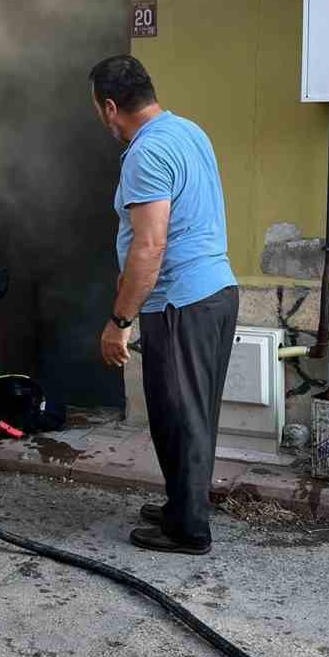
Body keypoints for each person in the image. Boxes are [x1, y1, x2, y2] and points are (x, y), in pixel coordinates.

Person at [90, 55, 238, 555]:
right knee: (192, 411)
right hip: (215, 290)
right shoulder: (189, 131)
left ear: (110, 107)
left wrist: (119, 321)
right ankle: (183, 503)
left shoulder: (145, 153)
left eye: (98, 109)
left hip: (182, 302)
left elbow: (149, 246)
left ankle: (189, 529)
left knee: (178, 415)